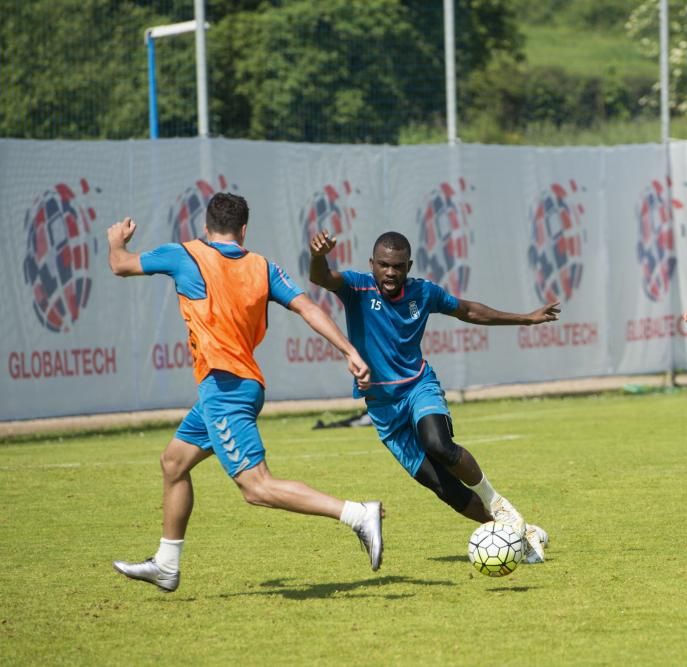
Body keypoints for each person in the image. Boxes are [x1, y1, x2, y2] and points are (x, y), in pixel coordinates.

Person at [107, 193, 384, 593]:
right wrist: (350, 351)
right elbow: (309, 308)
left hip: (225, 388)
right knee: (173, 463)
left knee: (257, 488)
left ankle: (357, 514)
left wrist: (117, 240)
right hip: (235, 386)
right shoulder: (263, 266)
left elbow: (120, 265)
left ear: (206, 227)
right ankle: (166, 563)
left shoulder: (184, 253)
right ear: (243, 230)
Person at [308, 230, 559, 563]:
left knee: (437, 444)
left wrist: (525, 319)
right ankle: (516, 534)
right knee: (443, 488)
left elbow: (468, 310)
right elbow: (321, 276)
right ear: (372, 264)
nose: (390, 273)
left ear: (408, 266)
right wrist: (317, 255)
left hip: (418, 386)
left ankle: (497, 502)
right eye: (383, 265)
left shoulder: (423, 293)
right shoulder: (357, 287)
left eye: (398, 266)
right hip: (384, 409)